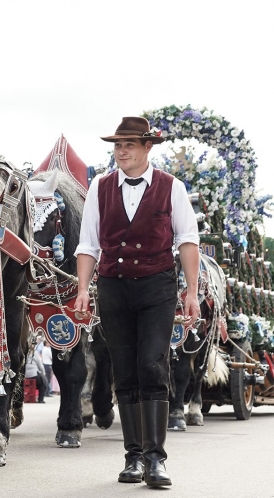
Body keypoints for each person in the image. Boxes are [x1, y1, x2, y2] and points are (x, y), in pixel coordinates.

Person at [73, 117, 200, 488]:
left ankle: (155, 458)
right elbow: (88, 244)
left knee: (152, 365)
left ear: (148, 148)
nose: (122, 150)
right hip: (113, 286)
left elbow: (187, 240)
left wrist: (191, 292)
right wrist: (83, 288)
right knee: (124, 369)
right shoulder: (100, 186)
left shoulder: (171, 187)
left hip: (157, 287)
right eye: (117, 145)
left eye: (129, 144)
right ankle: (133, 457)